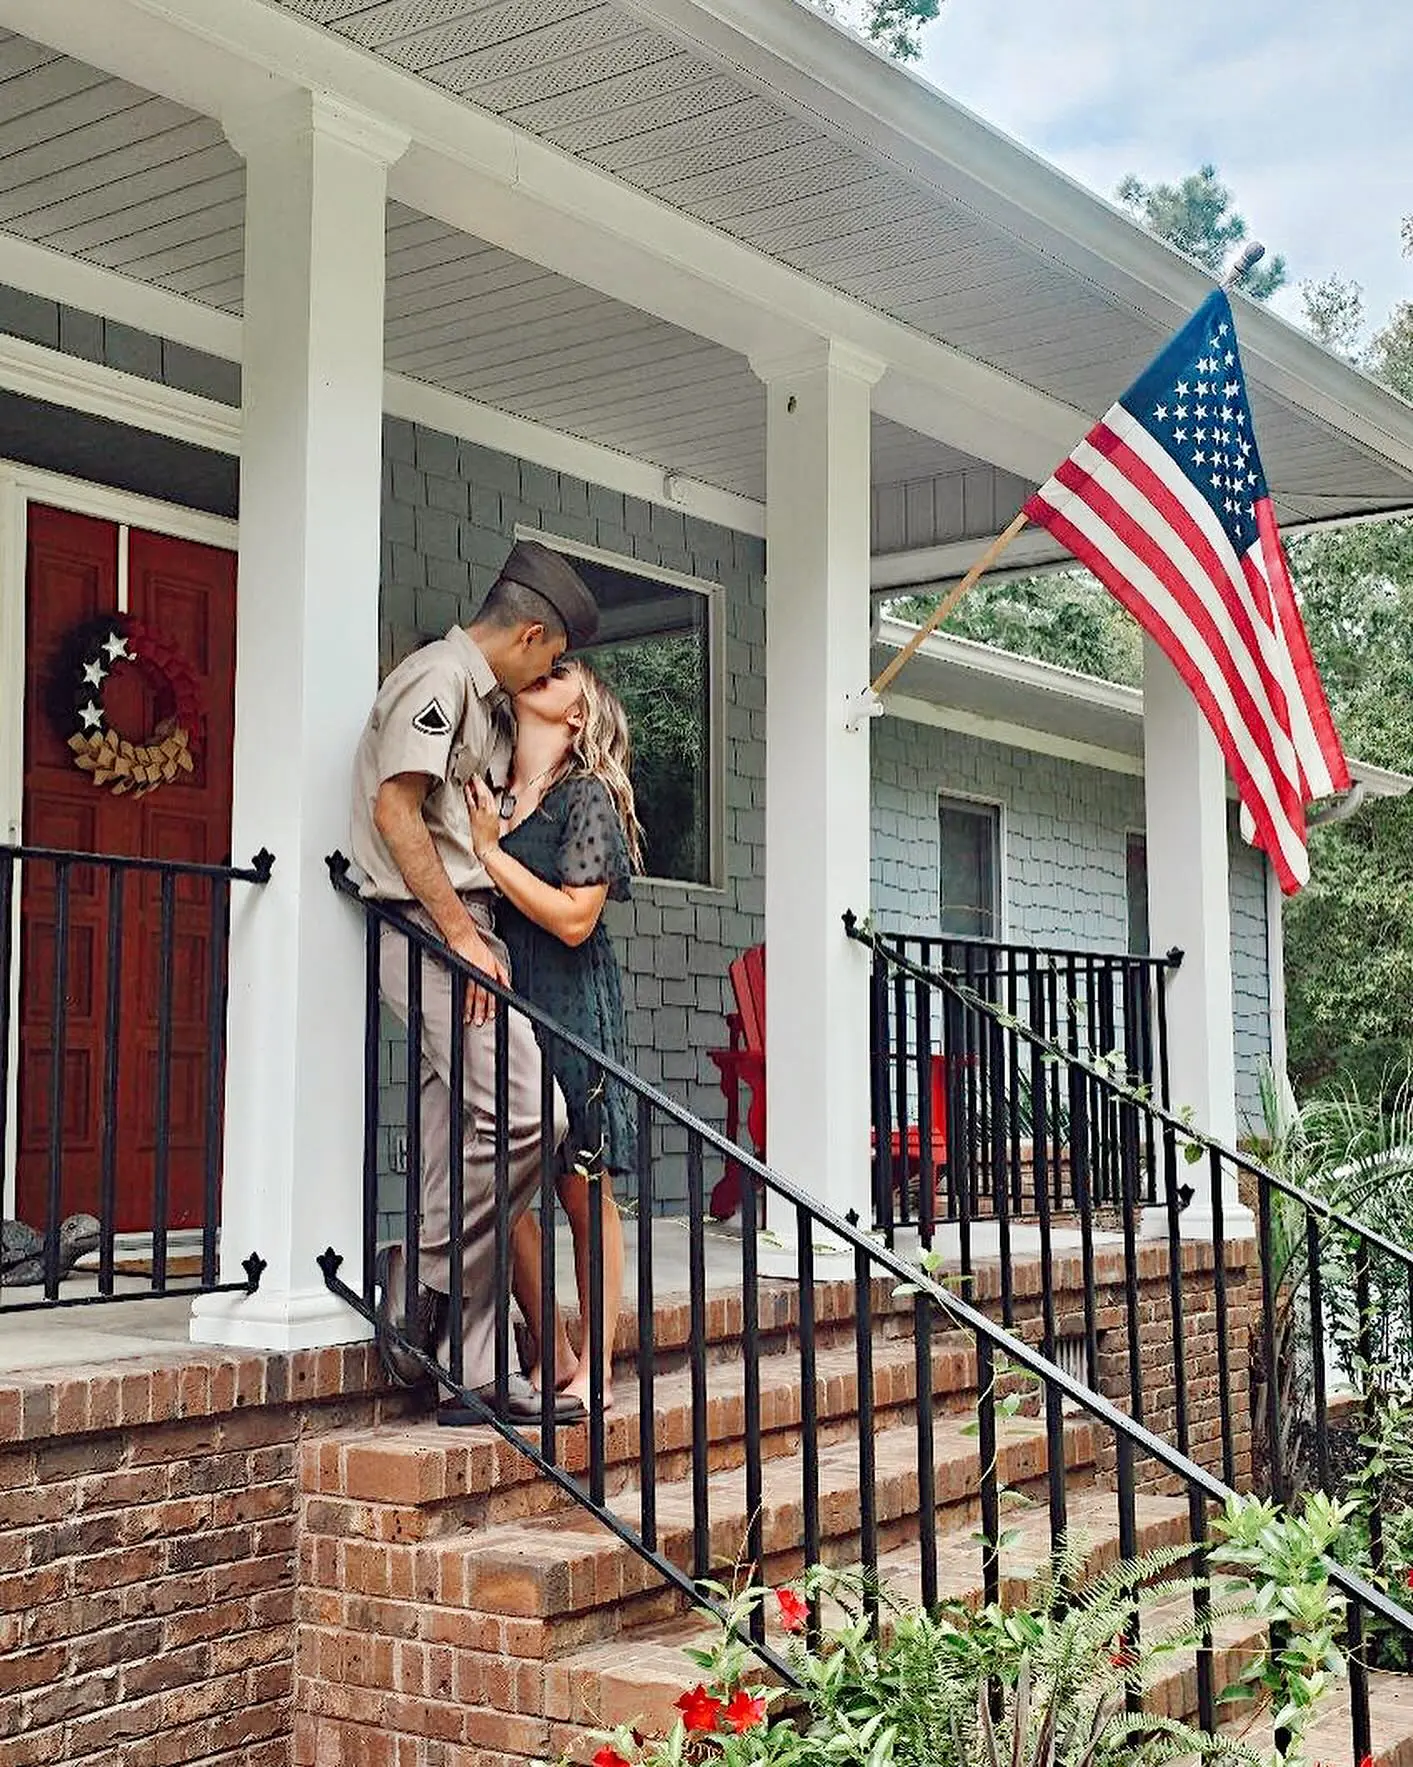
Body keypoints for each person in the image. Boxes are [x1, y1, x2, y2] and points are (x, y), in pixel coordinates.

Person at [349, 538, 599, 1427]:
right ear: (531, 633)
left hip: (463, 932)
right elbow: (393, 808)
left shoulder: (478, 703)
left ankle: (473, 1368)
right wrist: (462, 935)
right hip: (436, 931)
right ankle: (421, 1274)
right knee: (536, 1114)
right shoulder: (438, 681)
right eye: (553, 656)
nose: (549, 671)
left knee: (465, 1133)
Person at [464, 658, 642, 1414]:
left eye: (563, 671)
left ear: (579, 713)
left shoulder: (587, 798)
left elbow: (576, 918)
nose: (545, 672)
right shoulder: (490, 789)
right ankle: (550, 1344)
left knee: (579, 1188)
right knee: (501, 1191)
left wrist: (491, 854)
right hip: (500, 999)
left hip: (569, 1005)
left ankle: (593, 1369)